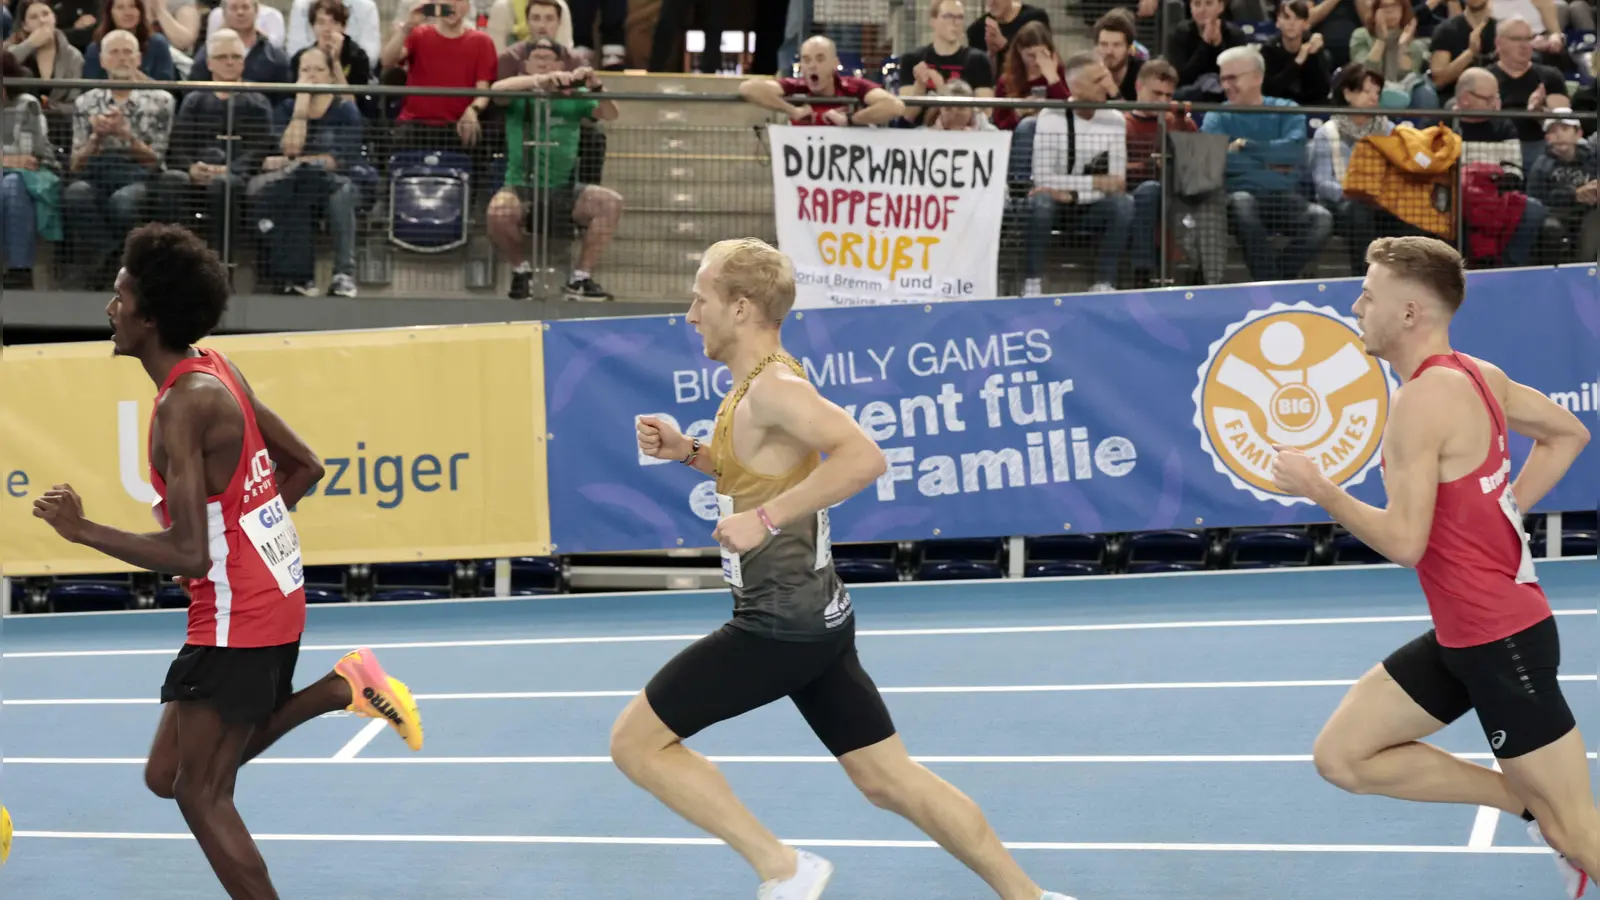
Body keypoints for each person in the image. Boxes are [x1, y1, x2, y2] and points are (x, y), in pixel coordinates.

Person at [616, 237, 1075, 900]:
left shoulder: (774, 387)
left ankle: (782, 866)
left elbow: (864, 458)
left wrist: (765, 522)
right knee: (887, 778)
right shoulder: (757, 381)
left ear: (741, 308)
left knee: (635, 744)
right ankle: (1029, 898)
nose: (690, 314)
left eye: (701, 298)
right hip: (817, 619)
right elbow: (758, 471)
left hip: (778, 626)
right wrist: (688, 451)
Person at [32, 223, 425, 900]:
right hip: (266, 592)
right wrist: (246, 532)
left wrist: (83, 530)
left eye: (120, 295)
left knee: (199, 793)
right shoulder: (216, 367)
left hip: (237, 615)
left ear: (150, 316)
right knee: (168, 776)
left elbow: (188, 551)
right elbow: (306, 466)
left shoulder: (183, 407)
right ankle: (343, 688)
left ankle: (343, 691)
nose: (109, 307)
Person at [1270, 236, 1594, 898]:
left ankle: (1552, 820)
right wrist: (1503, 511)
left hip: (1503, 643)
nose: (1357, 303)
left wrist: (1322, 490)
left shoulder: (1421, 401)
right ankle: (1527, 804)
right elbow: (1569, 433)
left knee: (1582, 832)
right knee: (1344, 756)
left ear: (1410, 311)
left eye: (1369, 292)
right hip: (1465, 638)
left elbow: (1405, 543)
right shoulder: (1480, 375)